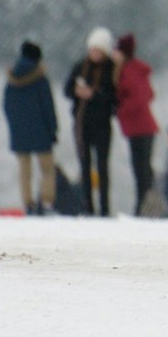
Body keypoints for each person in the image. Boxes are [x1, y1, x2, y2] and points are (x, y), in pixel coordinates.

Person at [66, 27, 119, 217]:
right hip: (82, 125)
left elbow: (114, 98)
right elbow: (67, 89)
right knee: (85, 166)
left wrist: (93, 95)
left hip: (102, 125)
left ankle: (104, 208)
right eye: (92, 50)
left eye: (98, 50)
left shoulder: (111, 70)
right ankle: (87, 207)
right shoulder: (80, 67)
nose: (94, 54)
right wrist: (77, 92)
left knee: (103, 167)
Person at [2, 41, 59, 215]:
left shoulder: (11, 80)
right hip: (41, 130)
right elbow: (48, 106)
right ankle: (46, 202)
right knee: (47, 169)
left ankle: (28, 203)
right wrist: (53, 129)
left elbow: (6, 106)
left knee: (24, 170)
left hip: (19, 131)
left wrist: (14, 125)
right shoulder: (40, 79)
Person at [113, 32, 159, 216]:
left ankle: (144, 208)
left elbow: (141, 96)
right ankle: (144, 206)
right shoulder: (131, 69)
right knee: (143, 170)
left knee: (142, 171)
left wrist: (121, 110)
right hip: (140, 128)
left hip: (141, 128)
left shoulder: (130, 71)